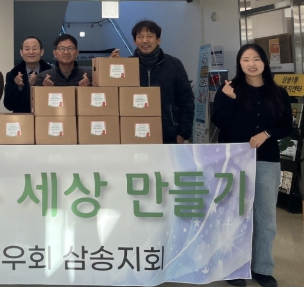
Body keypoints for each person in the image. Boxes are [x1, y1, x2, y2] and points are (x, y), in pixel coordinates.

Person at [212, 44, 291, 287]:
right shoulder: (229, 89)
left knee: (265, 217)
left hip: (266, 160)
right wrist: (230, 100)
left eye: (256, 59)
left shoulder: (278, 93)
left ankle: (262, 268)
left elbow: (286, 126)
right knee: (234, 214)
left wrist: (266, 133)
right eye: (246, 59)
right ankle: (234, 267)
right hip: (234, 161)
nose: (251, 64)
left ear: (264, 62)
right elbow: (220, 122)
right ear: (240, 63)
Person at [110, 20, 194, 144]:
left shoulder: (173, 64)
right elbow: (114, 98)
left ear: (158, 40)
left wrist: (183, 133)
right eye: (140, 37)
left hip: (167, 135)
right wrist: (112, 67)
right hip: (133, 134)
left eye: (149, 36)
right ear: (135, 41)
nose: (145, 40)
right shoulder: (127, 66)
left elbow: (186, 101)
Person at [3, 36, 52, 113]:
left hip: (45, 116)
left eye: (34, 48)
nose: (31, 52)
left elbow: (57, 104)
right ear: (21, 53)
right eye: (27, 49)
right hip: (22, 118)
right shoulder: (13, 74)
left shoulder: (51, 74)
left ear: (41, 52)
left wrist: (44, 89)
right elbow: (8, 105)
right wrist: (18, 87)